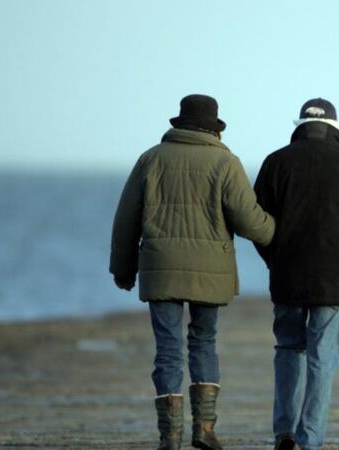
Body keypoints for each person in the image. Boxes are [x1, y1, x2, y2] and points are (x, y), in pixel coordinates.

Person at [110, 94, 275, 450]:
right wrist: (275, 231)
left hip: (160, 268)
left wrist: (123, 270)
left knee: (167, 349)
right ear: (213, 129)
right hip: (209, 271)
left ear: (179, 124)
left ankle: (170, 437)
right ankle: (204, 428)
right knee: (204, 341)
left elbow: (126, 220)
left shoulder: (150, 160)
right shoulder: (225, 163)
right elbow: (250, 222)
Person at [253, 98, 339, 450]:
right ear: (336, 127)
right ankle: (309, 439)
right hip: (335, 278)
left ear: (298, 125)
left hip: (287, 276)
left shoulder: (275, 162)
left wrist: (274, 258)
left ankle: (284, 431)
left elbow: (257, 223)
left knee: (288, 349)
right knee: (322, 358)